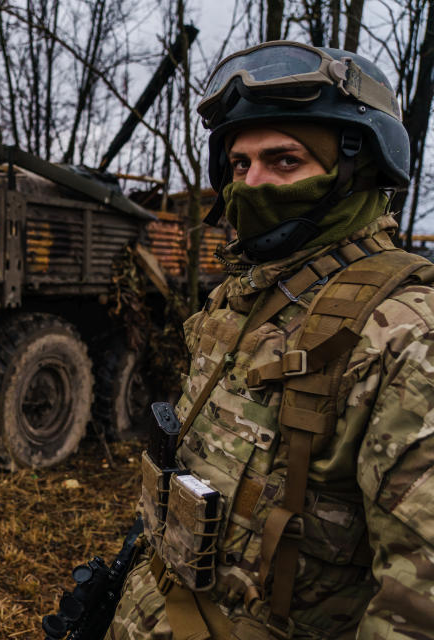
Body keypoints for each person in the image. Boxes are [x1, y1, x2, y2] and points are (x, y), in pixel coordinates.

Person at [106, 41, 434, 640]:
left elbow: (418, 607)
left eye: (285, 162)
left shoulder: (405, 331)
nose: (251, 185)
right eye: (239, 165)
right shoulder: (239, 297)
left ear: (357, 168)